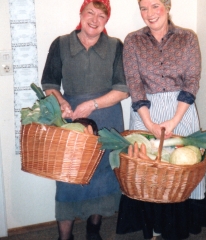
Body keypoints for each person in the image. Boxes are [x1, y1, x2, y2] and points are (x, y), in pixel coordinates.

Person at [116, 0, 206, 239]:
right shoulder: (133, 40)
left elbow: (192, 81)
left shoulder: (187, 38)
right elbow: (134, 84)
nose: (149, 13)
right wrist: (149, 124)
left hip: (181, 109)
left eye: (155, 6)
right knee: (148, 171)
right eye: (143, 8)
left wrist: (175, 120)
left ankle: (176, 228)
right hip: (146, 110)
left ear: (167, 7)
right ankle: (153, 227)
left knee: (180, 169)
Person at [41, 1, 129, 240]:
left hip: (106, 117)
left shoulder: (115, 46)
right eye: (90, 12)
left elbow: (123, 89)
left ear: (106, 20)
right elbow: (49, 83)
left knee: (101, 175)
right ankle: (64, 235)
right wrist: (61, 102)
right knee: (68, 176)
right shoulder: (61, 44)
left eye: (102, 15)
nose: (95, 19)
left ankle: (94, 230)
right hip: (71, 120)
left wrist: (92, 104)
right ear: (80, 14)